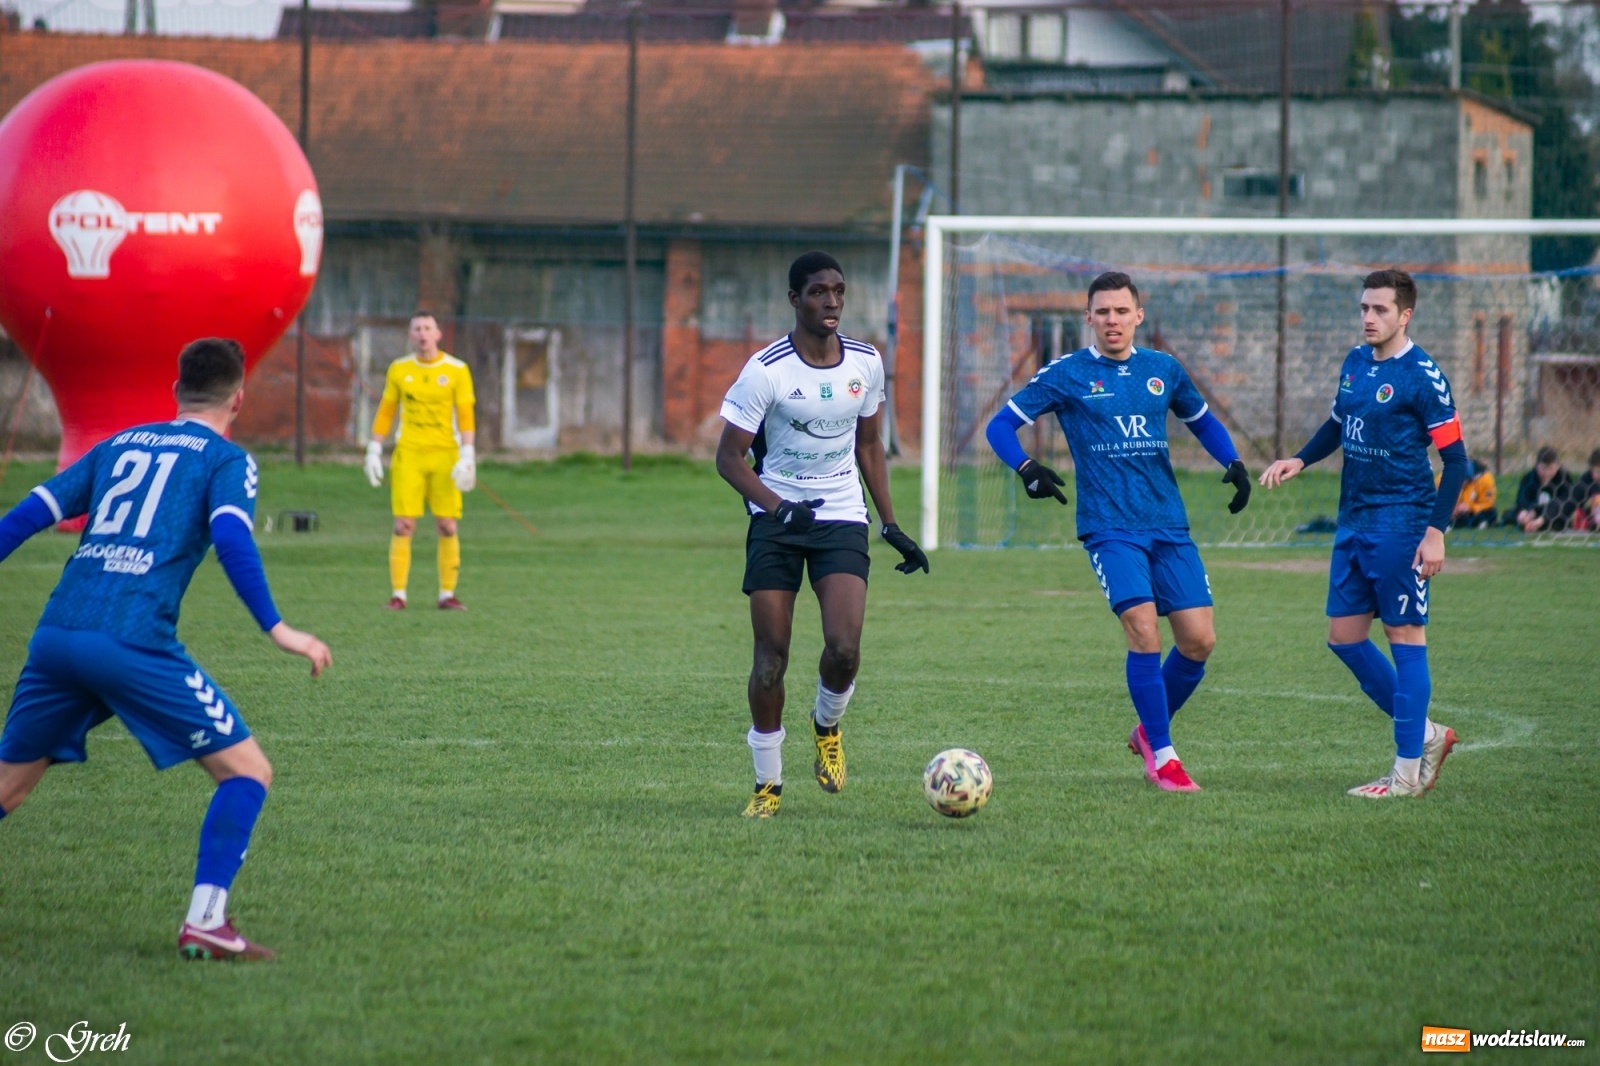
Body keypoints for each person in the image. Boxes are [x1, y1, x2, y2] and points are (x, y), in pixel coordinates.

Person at [0, 338, 332, 960]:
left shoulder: (117, 445)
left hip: (56, 634)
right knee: (248, 771)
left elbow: (24, 516)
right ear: (238, 397)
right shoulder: (225, 460)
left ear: (176, 391)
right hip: (130, 640)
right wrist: (279, 630)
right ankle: (207, 920)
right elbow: (233, 538)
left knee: (8, 789)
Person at [985, 271, 1251, 793]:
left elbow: (1201, 421)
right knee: (1144, 629)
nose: (1112, 320)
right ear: (1088, 318)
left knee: (1198, 640)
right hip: (1109, 527)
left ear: (1138, 315)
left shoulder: (1163, 370)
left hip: (1168, 523)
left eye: (1121, 311)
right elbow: (1000, 426)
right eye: (1102, 312)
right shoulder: (1067, 374)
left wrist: (1234, 462)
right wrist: (1025, 467)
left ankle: (1148, 731)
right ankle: (1165, 758)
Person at [715, 252, 928, 818]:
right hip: (777, 519)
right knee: (770, 659)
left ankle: (826, 726)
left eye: (838, 291)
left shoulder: (866, 362)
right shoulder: (766, 370)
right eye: (817, 293)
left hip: (839, 514)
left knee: (844, 649)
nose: (830, 302)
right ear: (794, 299)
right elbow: (729, 459)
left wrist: (891, 524)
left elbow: (868, 445)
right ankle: (768, 787)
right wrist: (779, 509)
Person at [1259, 269, 1467, 799]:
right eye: (1364, 308)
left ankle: (1403, 775)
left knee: (1404, 640)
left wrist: (1435, 532)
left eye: (1380, 310)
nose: (1369, 318)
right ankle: (1425, 735)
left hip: (1402, 524)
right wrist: (1300, 459)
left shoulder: (1423, 375)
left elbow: (1456, 460)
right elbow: (1337, 424)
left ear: (1405, 315)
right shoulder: (1354, 363)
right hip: (1353, 521)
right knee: (1344, 640)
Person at [364, 311, 477, 610]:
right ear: (410, 335)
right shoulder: (399, 370)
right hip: (410, 454)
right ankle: (398, 594)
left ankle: (446, 594)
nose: (423, 334)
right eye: (417, 329)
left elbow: (465, 414)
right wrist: (374, 449)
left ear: (438, 333)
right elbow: (387, 410)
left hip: (445, 455)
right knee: (403, 525)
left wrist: (468, 453)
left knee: (447, 526)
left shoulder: (456, 369)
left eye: (428, 328)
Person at [1510, 446, 1578, 533]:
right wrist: (1523, 513)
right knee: (1514, 514)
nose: (1547, 473)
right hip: (1532, 514)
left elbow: (1564, 504)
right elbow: (1522, 501)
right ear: (1536, 466)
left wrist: (1538, 515)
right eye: (1543, 468)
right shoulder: (1528, 478)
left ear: (1557, 466)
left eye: (1551, 469)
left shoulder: (1564, 478)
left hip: (1555, 516)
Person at [1450, 457, 1497, 529]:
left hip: (1479, 509)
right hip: (1463, 511)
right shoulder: (1460, 482)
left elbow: (1488, 503)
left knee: (1490, 513)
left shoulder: (1486, 479)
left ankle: (1481, 522)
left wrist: (1470, 507)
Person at [1576, 448, 1600, 532]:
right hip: (1591, 519)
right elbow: (1574, 500)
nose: (1596, 476)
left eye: (1599, 472)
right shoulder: (1585, 480)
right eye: (1595, 472)